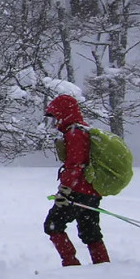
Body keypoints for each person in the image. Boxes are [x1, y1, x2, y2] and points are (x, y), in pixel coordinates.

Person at [44, 94, 108, 266]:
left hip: (77, 191)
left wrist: (65, 189)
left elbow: (75, 165)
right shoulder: (84, 130)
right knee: (91, 231)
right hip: (92, 190)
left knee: (53, 225)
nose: (55, 121)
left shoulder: (75, 133)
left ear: (64, 113)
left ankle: (71, 265)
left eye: (56, 116)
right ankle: (103, 266)